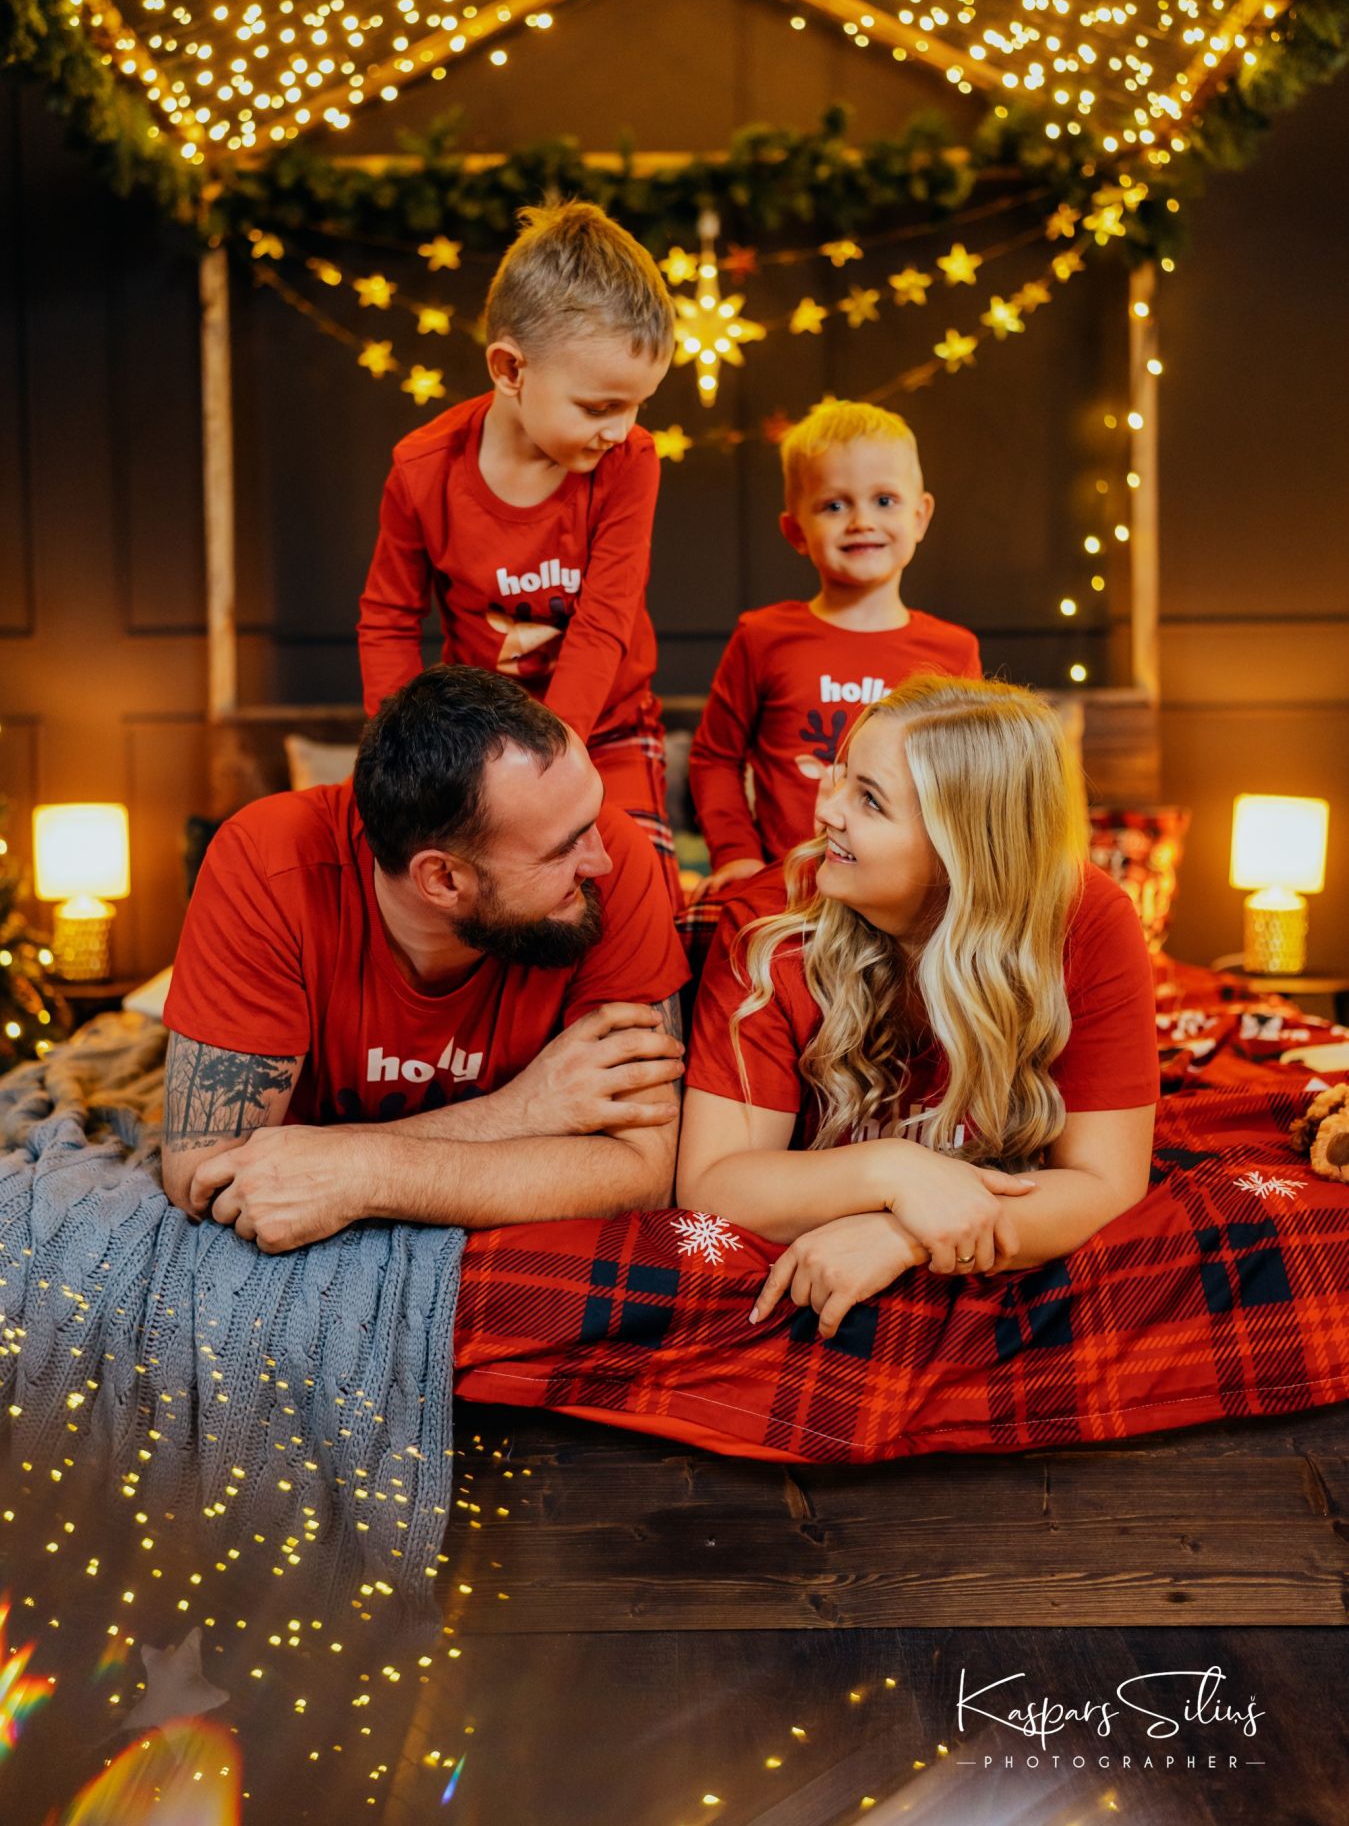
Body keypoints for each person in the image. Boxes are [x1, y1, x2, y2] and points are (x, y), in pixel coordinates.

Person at [678, 674, 1159, 1340]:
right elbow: (712, 1184)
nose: (826, 812)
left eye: (869, 800)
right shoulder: (768, 923)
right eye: (841, 777)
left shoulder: (1088, 920)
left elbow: (1105, 1184)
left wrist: (905, 1236)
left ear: (961, 848)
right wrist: (893, 1171)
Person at [159, 667, 689, 1253]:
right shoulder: (268, 861)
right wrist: (518, 1112)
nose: (600, 860)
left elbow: (645, 1172)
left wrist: (364, 1172)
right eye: (560, 850)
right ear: (442, 879)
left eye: (591, 819)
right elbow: (207, 1177)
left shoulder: (613, 863)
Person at [357, 198, 682, 904]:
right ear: (510, 369)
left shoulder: (629, 461)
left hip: (607, 730)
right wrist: (401, 754)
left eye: (637, 404)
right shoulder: (422, 471)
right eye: (598, 407)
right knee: (489, 904)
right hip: (483, 747)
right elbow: (388, 620)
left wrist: (556, 759)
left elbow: (605, 618)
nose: (620, 428)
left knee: (640, 900)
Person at [687, 400, 981, 901]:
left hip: (905, 899)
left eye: (884, 500)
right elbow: (715, 757)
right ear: (795, 531)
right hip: (786, 893)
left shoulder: (953, 652)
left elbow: (968, 783)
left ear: (920, 517)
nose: (861, 521)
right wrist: (736, 855)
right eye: (834, 506)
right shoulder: (763, 637)